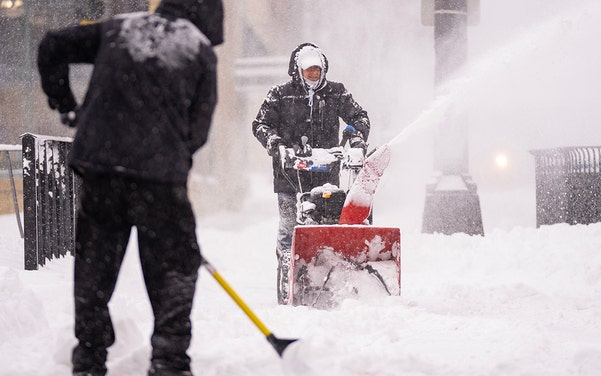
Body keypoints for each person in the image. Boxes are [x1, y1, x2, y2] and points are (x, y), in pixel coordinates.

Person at [36, 0, 224, 374]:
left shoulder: (118, 30)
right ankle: (169, 360)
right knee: (174, 267)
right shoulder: (198, 50)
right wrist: (170, 152)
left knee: (95, 266)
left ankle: (89, 357)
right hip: (159, 181)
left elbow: (52, 45)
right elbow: (199, 126)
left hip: (103, 171)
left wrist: (65, 103)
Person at [252, 43, 370, 305]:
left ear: (324, 69)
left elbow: (359, 116)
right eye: (308, 70)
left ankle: (331, 276)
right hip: (289, 176)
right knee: (289, 226)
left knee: (329, 224)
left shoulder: (337, 93)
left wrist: (356, 139)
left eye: (317, 70)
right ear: (298, 70)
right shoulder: (280, 95)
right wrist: (276, 144)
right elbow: (260, 124)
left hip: (326, 176)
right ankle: (288, 278)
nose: (313, 75)